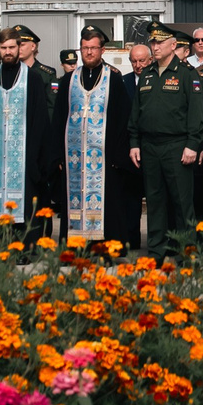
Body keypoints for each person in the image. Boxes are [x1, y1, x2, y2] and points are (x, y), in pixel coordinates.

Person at [0, 26, 63, 233]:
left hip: (24, 160)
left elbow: (40, 121)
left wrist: (37, 159)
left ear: (19, 47)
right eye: (4, 48)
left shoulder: (33, 78)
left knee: (26, 212)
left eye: (12, 47)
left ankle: (24, 244)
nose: (8, 52)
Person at [61, 25, 141, 250]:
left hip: (104, 159)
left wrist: (118, 155)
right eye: (85, 48)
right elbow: (59, 118)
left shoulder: (113, 79)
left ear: (102, 50)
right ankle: (75, 247)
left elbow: (122, 118)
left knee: (108, 203)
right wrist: (58, 155)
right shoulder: (69, 80)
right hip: (74, 159)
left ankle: (104, 247)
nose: (89, 52)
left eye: (93, 48)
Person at [133, 24, 203, 256]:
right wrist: (134, 143)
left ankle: (186, 251)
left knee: (182, 203)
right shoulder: (147, 73)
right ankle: (156, 251)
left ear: (173, 45)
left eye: (160, 43)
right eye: (153, 42)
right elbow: (136, 112)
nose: (155, 47)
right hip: (150, 146)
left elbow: (196, 113)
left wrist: (192, 145)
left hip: (177, 146)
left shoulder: (186, 74)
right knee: (154, 202)